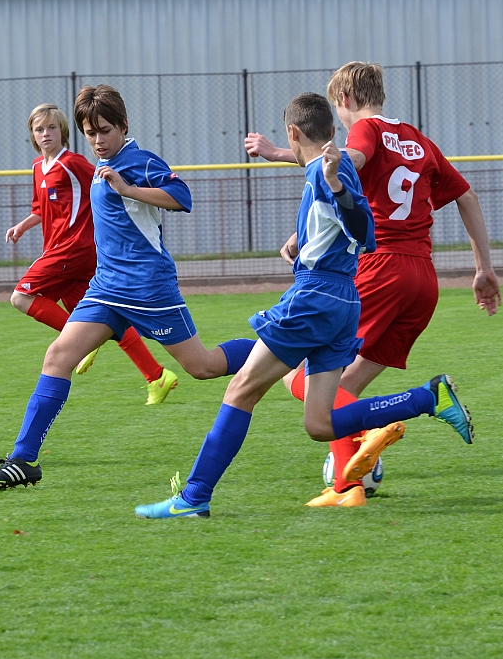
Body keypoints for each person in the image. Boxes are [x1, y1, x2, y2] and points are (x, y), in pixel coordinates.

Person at [135, 92, 473, 520]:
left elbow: (359, 226)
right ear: (332, 131)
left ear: (293, 133)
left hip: (315, 298)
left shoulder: (327, 173)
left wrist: (335, 188)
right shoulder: (333, 168)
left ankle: (194, 497)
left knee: (242, 390)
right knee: (320, 424)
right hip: (343, 301)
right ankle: (426, 398)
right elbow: (365, 234)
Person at [244, 62, 501, 507]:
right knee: (346, 384)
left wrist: (284, 160)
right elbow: (468, 196)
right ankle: (351, 477)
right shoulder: (418, 140)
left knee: (301, 373)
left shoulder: (367, 131)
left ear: (343, 100)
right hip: (423, 279)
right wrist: (484, 269)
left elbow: (344, 162)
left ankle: (370, 451)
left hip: (380, 269)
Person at [0, 84, 257, 490]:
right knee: (58, 356)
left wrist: (128, 189)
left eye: (105, 131)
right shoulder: (98, 164)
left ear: (123, 125)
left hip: (148, 289)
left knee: (203, 367)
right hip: (105, 288)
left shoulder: (139, 161)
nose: (98, 140)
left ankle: (275, 350)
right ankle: (23, 460)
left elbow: (182, 197)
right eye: (90, 133)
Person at [6, 103, 179, 406]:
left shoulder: (72, 163)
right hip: (64, 251)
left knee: (21, 296)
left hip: (73, 248)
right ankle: (156, 376)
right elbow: (40, 208)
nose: (46, 134)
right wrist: (23, 225)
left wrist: (135, 193)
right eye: (39, 129)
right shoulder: (37, 167)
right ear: (32, 135)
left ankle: (81, 341)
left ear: (63, 131)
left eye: (52, 127)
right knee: (109, 316)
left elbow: (104, 183)